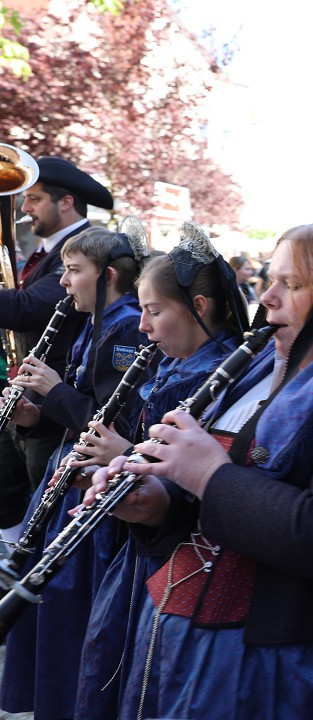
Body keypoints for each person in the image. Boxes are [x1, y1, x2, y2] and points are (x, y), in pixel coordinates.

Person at [81, 194, 313, 719]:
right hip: (202, 652)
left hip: (295, 670)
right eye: (271, 279)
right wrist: (159, 500)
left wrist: (207, 475)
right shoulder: (266, 365)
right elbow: (228, 496)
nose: (268, 296)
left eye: (292, 284)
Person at [72, 222, 250, 720]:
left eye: (154, 311)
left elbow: (198, 473)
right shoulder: (176, 362)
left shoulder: (215, 377)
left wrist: (123, 452)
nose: (144, 328)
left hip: (178, 557)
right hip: (142, 545)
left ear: (200, 307)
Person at [0, 223, 149, 720]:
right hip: (66, 478)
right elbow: (76, 412)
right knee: (46, 608)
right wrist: (31, 413)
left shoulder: (126, 325)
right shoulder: (93, 318)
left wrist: (53, 389)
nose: (62, 283)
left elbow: (117, 423)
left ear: (107, 276)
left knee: (68, 615)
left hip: (92, 494)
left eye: (73, 271)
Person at [0, 156, 111, 544]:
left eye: (34, 199)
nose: (24, 207)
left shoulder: (84, 249)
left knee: (41, 513)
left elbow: (25, 309)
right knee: (13, 497)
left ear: (66, 203)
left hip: (57, 407)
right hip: (32, 402)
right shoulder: (49, 251)